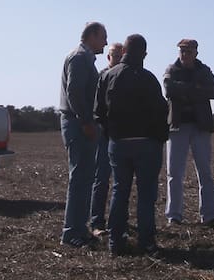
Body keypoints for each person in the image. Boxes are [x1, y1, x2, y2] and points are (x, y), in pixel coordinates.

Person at [94, 33, 169, 257]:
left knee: (119, 191)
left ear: (123, 52)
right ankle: (146, 242)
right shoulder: (149, 79)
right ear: (144, 54)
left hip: (118, 143)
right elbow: (161, 111)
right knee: (146, 196)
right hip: (147, 143)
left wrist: (111, 134)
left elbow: (99, 112)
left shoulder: (108, 76)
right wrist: (159, 137)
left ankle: (116, 241)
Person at [59, 21, 108, 248]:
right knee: (79, 179)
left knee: (85, 178)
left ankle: (79, 228)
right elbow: (74, 93)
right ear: (92, 36)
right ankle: (71, 233)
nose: (106, 43)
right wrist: (86, 121)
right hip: (79, 125)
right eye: (103, 37)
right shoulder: (79, 58)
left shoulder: (85, 58)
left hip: (81, 124)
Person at [163, 38, 214, 225]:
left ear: (196, 52)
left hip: (200, 126)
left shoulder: (205, 71)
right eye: (182, 51)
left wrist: (185, 90)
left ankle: (209, 215)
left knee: (205, 172)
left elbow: (213, 91)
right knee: (174, 173)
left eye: (188, 51)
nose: (185, 54)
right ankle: (174, 215)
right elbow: (169, 89)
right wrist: (196, 89)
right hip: (177, 126)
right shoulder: (171, 70)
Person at [89, 41, 125, 236]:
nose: (116, 59)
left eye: (120, 56)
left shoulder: (128, 76)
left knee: (121, 181)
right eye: (113, 56)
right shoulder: (101, 76)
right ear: (108, 57)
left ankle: (118, 221)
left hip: (121, 136)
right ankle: (96, 222)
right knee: (101, 179)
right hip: (104, 135)